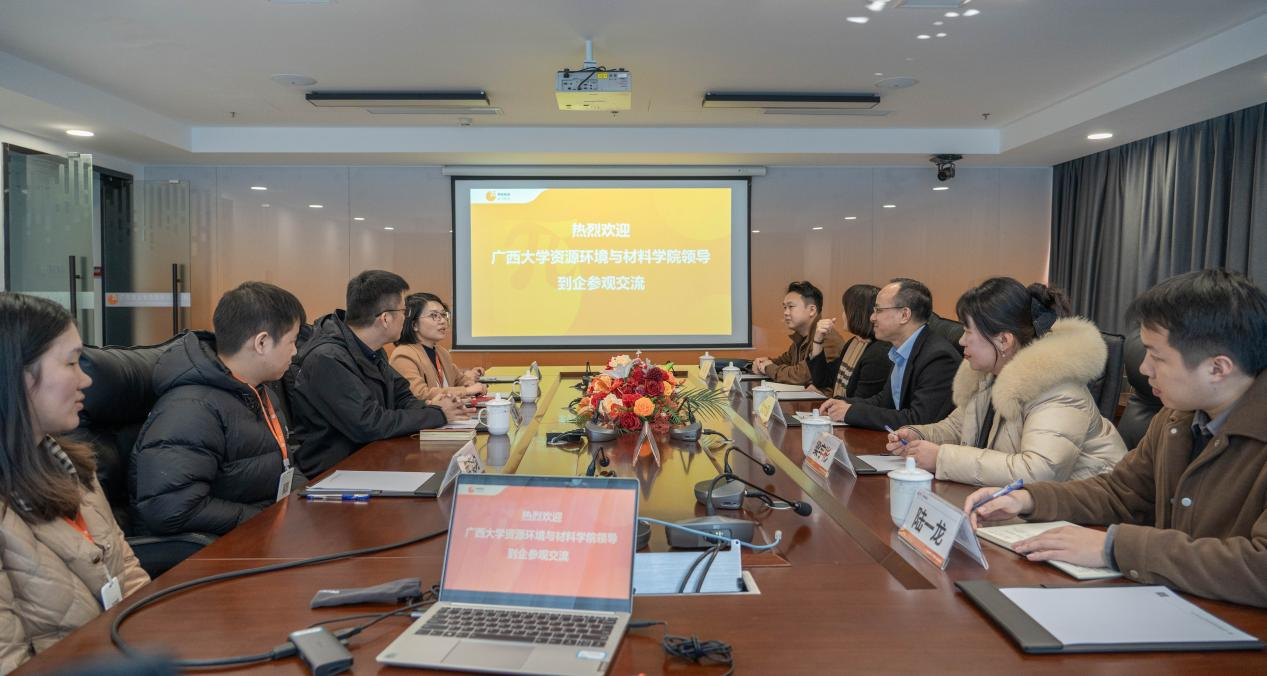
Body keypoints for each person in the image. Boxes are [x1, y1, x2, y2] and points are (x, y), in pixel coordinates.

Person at [966, 269, 1267, 607]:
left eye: (1157, 357)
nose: (1144, 368)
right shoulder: (1176, 418)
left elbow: (1260, 567)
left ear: (1218, 368)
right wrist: (1028, 500)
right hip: (1174, 602)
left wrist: (1114, 548)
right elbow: (1120, 493)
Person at [0, 292, 149, 670]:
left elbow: (128, 573)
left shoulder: (73, 467)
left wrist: (159, 640)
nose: (86, 379)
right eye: (70, 362)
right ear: (16, 375)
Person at [887, 278, 1126, 485]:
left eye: (968, 331)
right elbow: (957, 428)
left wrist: (941, 458)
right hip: (1022, 505)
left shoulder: (1058, 388)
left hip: (1086, 511)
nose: (961, 341)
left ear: (1003, 341)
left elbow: (1038, 472)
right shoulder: (989, 374)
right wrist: (918, 435)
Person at [130, 282, 306, 536]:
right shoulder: (191, 410)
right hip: (223, 547)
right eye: (292, 341)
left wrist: (308, 500)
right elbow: (171, 508)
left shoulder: (257, 391)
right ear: (262, 343)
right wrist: (265, 521)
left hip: (264, 530)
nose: (295, 352)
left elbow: (283, 464)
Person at [290, 271, 467, 478]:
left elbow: (403, 396)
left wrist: (434, 406)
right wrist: (438, 414)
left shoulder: (373, 349)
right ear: (385, 318)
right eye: (404, 311)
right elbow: (369, 423)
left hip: (375, 457)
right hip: (335, 472)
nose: (405, 318)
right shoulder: (327, 359)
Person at [820, 278, 959, 429]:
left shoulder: (938, 358)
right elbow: (885, 401)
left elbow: (919, 420)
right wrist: (844, 403)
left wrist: (852, 412)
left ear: (904, 315)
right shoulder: (900, 350)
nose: (872, 317)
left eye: (878, 310)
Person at [390, 293, 486, 402]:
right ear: (414, 325)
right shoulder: (403, 355)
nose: (443, 321)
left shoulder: (442, 352)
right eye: (434, 315)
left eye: (443, 315)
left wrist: (471, 384)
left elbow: (459, 379)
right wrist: (466, 391)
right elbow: (419, 394)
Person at [806, 284, 892, 399]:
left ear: (858, 313)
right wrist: (817, 340)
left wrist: (827, 399)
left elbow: (860, 402)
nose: (843, 315)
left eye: (845, 310)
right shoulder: (854, 342)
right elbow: (822, 380)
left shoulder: (879, 352)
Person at [751, 281, 844, 386]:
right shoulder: (801, 337)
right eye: (785, 307)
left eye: (791, 307)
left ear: (812, 310)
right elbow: (785, 361)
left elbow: (802, 376)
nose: (786, 313)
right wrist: (763, 362)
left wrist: (768, 368)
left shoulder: (826, 337)